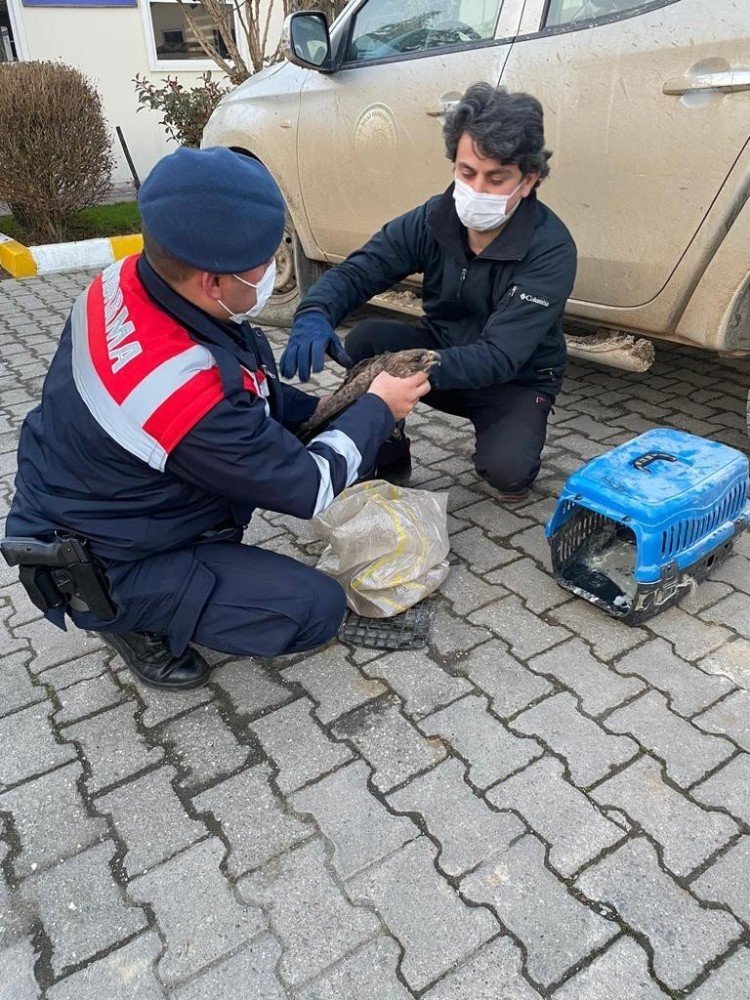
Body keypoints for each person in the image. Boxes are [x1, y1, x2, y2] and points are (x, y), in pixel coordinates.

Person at [3, 148, 429, 690]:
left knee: (289, 444)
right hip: (101, 558)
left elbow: (242, 392)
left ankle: (187, 561)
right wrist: (379, 407)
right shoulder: (176, 390)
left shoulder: (126, 280)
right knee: (313, 609)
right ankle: (127, 618)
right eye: (263, 262)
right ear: (211, 282)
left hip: (106, 496)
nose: (272, 269)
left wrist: (336, 406)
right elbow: (311, 488)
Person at [281, 83, 577, 501]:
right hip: (443, 352)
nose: (477, 191)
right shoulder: (434, 218)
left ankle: (510, 443)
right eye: (466, 172)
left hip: (515, 379)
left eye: (496, 179)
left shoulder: (551, 249)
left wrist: (403, 367)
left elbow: (500, 356)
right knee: (366, 342)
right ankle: (387, 450)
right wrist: (314, 312)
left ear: (528, 181)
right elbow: (362, 269)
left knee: (507, 472)